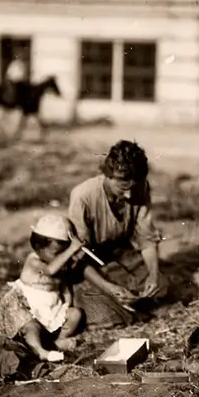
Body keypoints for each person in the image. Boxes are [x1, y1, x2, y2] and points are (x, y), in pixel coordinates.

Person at [67, 140, 168, 327]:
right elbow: (80, 257)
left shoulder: (140, 189)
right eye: (123, 187)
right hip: (89, 266)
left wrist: (153, 275)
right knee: (103, 312)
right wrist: (110, 289)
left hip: (120, 255)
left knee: (161, 285)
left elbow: (147, 240)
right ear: (107, 174)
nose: (129, 196)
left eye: (133, 187)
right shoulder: (83, 196)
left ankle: (128, 300)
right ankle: (120, 304)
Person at [0, 213, 85, 362]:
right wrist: (72, 250)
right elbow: (50, 271)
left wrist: (68, 304)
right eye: (56, 253)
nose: (60, 257)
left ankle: (59, 341)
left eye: (63, 253)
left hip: (52, 307)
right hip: (27, 306)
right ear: (39, 247)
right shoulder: (33, 260)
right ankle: (40, 350)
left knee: (76, 314)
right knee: (31, 326)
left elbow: (65, 286)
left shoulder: (60, 263)